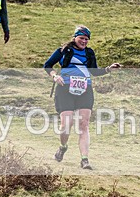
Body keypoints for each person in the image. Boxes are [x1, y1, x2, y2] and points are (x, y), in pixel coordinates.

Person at [44, 25, 121, 169]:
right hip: (65, 89)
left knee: (83, 125)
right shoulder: (64, 50)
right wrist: (55, 76)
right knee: (66, 125)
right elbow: (47, 65)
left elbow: (94, 72)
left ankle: (84, 159)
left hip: (85, 90)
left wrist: (108, 69)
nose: (84, 41)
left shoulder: (89, 53)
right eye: (81, 38)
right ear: (75, 37)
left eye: (86, 39)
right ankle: (63, 146)